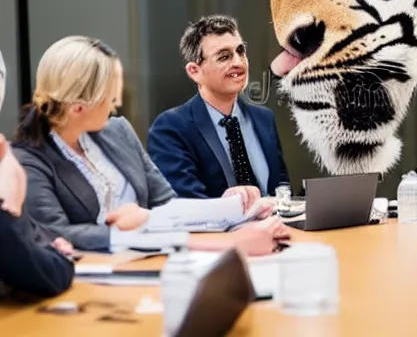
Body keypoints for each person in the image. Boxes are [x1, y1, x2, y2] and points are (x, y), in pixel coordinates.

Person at [12, 36, 289, 254]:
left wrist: (235, 209)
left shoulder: (117, 132)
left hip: (164, 260)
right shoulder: (28, 160)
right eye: (109, 96)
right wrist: (146, 225)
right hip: (99, 281)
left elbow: (167, 204)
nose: (116, 104)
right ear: (78, 108)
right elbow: (57, 234)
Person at [148, 15, 289, 199]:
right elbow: (187, 203)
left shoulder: (264, 119)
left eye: (241, 51)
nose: (238, 62)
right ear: (194, 71)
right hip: (217, 228)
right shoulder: (171, 128)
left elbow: (282, 188)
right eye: (224, 57)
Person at [0, 50, 75, 299]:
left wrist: (46, 243)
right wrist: (10, 201)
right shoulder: (26, 157)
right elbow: (43, 273)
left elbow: (33, 237)